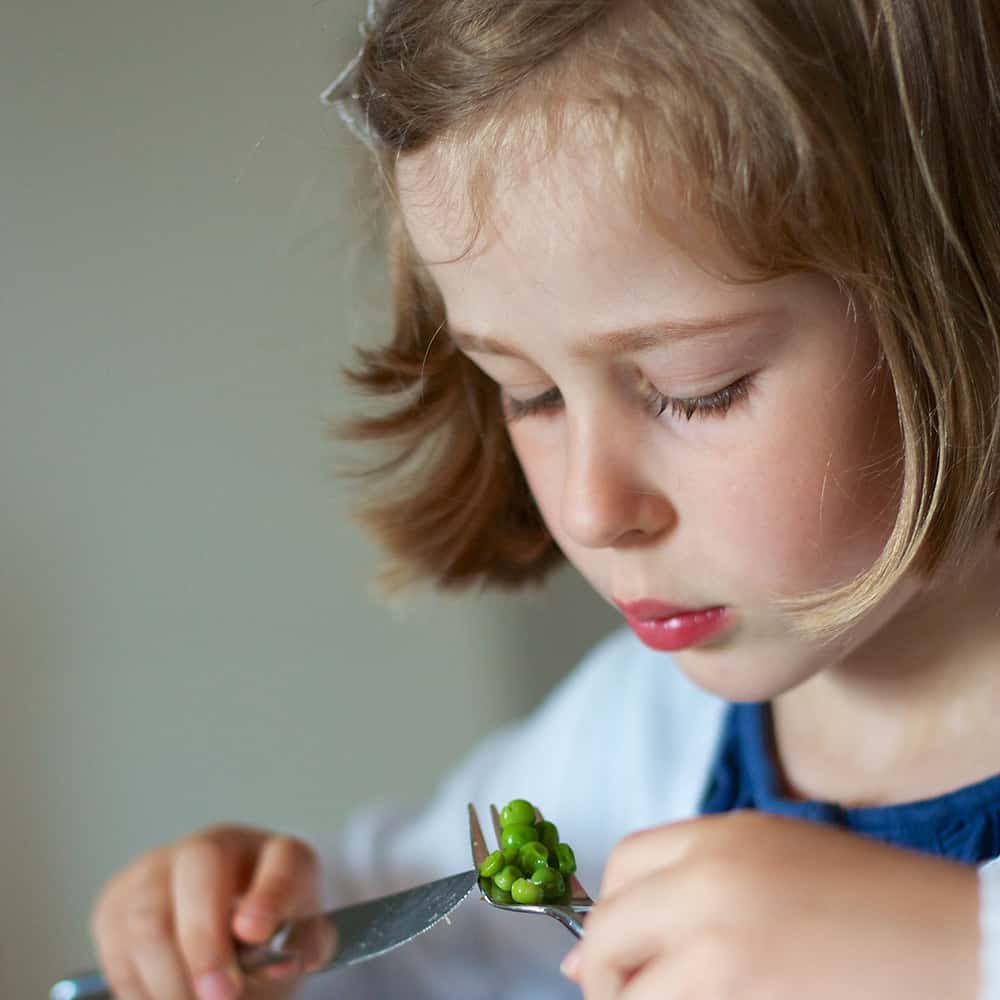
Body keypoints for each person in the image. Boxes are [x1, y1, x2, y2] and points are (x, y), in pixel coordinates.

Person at [89, 0, 1000, 997]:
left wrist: (960, 951)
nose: (590, 506)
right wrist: (250, 933)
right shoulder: (633, 734)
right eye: (527, 395)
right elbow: (429, 942)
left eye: (696, 388)